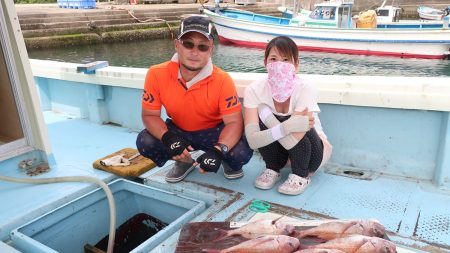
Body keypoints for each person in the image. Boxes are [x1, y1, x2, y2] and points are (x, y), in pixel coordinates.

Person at [136, 16, 253, 183]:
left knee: (240, 152)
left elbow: (234, 122)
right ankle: (184, 161)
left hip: (214, 132)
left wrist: (219, 150)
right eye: (188, 44)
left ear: (211, 50)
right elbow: (149, 115)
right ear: (177, 45)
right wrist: (168, 138)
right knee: (145, 141)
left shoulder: (222, 80)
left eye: (203, 47)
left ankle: (226, 161)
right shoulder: (156, 74)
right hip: (179, 130)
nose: (195, 52)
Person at [243, 36, 332, 195]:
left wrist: (269, 118)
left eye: (286, 60)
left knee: (299, 126)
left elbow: (294, 141)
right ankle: (273, 168)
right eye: (273, 59)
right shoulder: (254, 90)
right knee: (272, 122)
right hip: (282, 153)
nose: (279, 65)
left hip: (312, 153)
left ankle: (301, 175)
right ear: (265, 63)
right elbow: (252, 140)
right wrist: (287, 126)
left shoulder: (306, 87)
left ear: (296, 65)